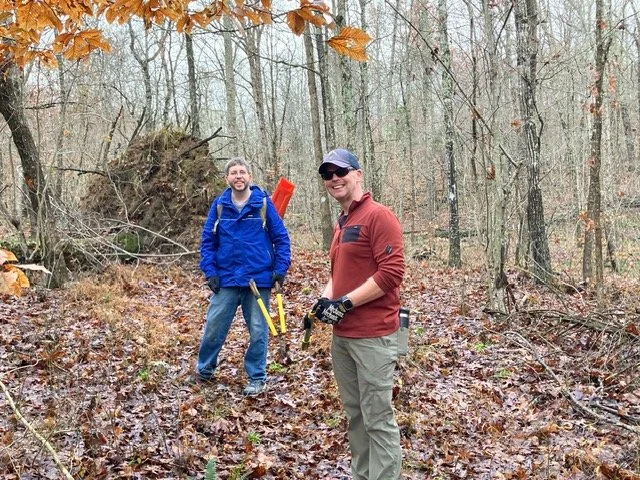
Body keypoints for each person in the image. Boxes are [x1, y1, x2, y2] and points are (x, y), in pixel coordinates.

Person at [309, 148, 405, 480]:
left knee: (377, 417)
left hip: (373, 336)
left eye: (341, 172)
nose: (334, 179)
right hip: (343, 338)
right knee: (356, 415)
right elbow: (340, 272)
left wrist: (346, 303)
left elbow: (391, 274)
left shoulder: (379, 216)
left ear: (358, 174)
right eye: (327, 175)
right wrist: (326, 298)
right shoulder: (343, 222)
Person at [197, 157, 291, 396]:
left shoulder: (263, 204)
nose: (238, 176)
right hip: (226, 279)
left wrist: (280, 269)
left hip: (258, 280)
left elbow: (281, 238)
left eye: (242, 172)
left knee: (259, 331)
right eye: (233, 173)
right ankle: (204, 372)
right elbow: (208, 242)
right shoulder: (219, 206)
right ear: (227, 178)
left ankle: (257, 378)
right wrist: (210, 272)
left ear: (249, 176)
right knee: (214, 328)